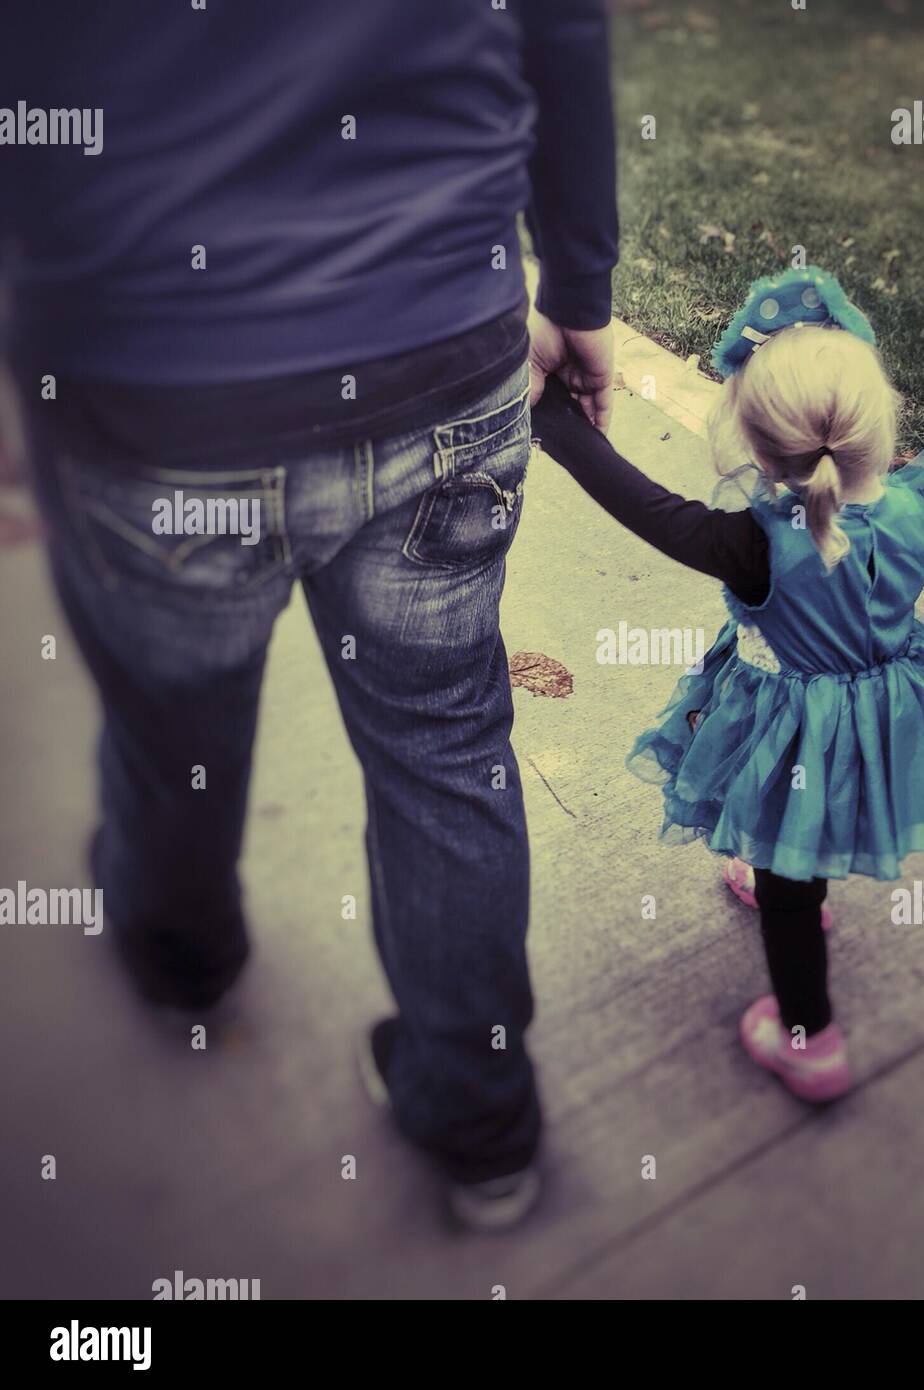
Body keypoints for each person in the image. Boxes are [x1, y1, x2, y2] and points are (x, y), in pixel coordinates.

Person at [0, 0, 618, 1232]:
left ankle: (184, 954)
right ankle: (481, 1124)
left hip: (159, 387)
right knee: (444, 744)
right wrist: (583, 285)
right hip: (445, 350)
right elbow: (563, 25)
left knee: (177, 712)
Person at [531, 267, 924, 1102]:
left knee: (787, 860)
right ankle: (797, 886)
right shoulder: (920, 518)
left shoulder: (752, 543)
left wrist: (558, 427)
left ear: (754, 437)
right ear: (873, 425)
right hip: (883, 714)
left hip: (794, 740)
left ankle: (811, 1041)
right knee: (819, 821)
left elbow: (647, 507)